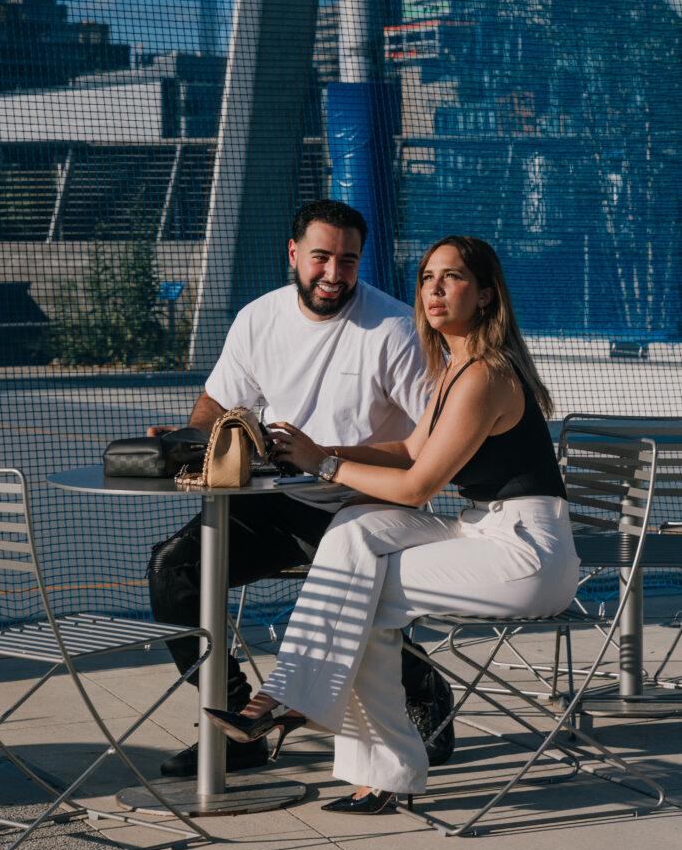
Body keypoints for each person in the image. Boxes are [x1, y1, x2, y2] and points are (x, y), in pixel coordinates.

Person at [204, 234, 581, 814]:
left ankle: (305, 710)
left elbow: (417, 486)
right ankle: (333, 738)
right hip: (485, 530)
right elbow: (409, 449)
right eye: (427, 277)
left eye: (452, 277)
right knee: (355, 532)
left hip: (527, 554)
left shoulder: (485, 376)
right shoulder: (456, 369)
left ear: (485, 295)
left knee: (359, 598)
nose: (434, 289)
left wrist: (325, 464)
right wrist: (318, 447)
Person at [147, 199, 428, 778]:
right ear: (294, 253)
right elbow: (219, 405)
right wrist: (189, 439)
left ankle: (424, 693)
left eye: (347, 261)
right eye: (321, 257)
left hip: (363, 507)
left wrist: (326, 459)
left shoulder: (397, 328)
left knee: (352, 598)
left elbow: (430, 441)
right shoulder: (259, 318)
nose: (333, 273)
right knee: (172, 570)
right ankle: (234, 724)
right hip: (280, 502)